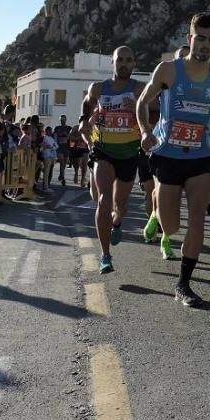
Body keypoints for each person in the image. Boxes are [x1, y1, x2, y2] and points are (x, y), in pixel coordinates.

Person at [136, 14, 210, 307]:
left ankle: (184, 283)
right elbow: (142, 102)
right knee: (172, 226)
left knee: (197, 219)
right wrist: (145, 131)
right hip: (167, 155)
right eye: (200, 38)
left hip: (200, 157)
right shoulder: (168, 70)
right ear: (190, 39)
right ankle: (157, 216)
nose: (205, 45)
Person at [81, 46, 146, 275]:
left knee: (121, 205)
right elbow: (87, 105)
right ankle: (105, 255)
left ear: (134, 64)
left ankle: (117, 222)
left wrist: (139, 109)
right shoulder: (98, 88)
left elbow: (156, 115)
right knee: (103, 199)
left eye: (129, 60)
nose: (124, 64)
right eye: (120, 60)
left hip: (129, 152)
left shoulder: (140, 89)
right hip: (103, 150)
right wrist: (84, 121)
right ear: (113, 62)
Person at [54, 115, 72, 186]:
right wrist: (55, 146)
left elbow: (71, 137)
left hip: (66, 147)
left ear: (66, 120)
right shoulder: (57, 128)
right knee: (61, 162)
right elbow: (55, 137)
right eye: (61, 120)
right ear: (59, 120)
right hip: (59, 147)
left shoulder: (69, 128)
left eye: (63, 119)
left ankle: (61, 174)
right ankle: (63, 178)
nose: (62, 121)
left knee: (64, 163)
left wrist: (67, 135)